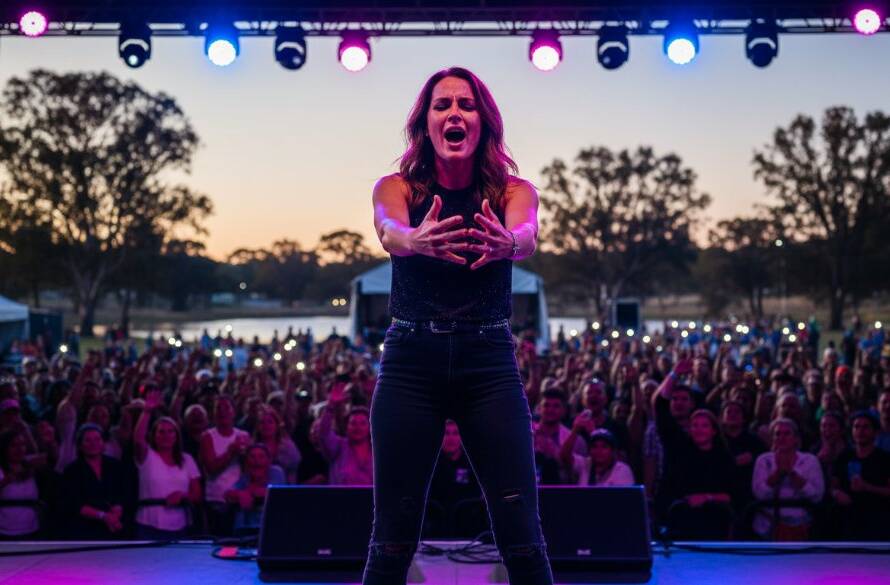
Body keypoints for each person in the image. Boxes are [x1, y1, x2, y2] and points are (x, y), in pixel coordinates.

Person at [366, 67, 552, 584]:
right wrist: (414, 241)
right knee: (391, 538)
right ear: (425, 124)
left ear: (483, 123)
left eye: (466, 105)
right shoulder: (395, 186)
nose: (454, 113)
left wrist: (510, 244)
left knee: (522, 536)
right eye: (442, 105)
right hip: (410, 361)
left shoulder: (514, 189)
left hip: (488, 361)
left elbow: (529, 233)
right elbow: (388, 229)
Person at [134, 389, 202, 540]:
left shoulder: (187, 460)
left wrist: (183, 496)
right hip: (149, 523)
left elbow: (196, 493)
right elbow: (138, 440)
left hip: (180, 524)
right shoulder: (147, 456)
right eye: (161, 432)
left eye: (171, 432)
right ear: (154, 435)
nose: (166, 436)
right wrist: (146, 412)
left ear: (177, 436)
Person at [751, 418, 824, 540]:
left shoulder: (810, 461)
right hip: (767, 525)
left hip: (802, 525)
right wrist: (778, 474)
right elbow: (759, 493)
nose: (782, 437)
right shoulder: (763, 460)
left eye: (786, 433)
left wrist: (792, 473)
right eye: (777, 434)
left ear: (795, 438)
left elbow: (816, 496)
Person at [60, 423, 128, 539]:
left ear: (103, 443)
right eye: (88, 440)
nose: (93, 444)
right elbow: (74, 504)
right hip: (84, 530)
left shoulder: (115, 466)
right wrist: (104, 516)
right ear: (80, 446)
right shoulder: (71, 471)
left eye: (97, 439)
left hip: (114, 528)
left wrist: (116, 514)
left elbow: (123, 493)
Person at [831, 411, 890, 540]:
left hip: (877, 521)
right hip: (847, 521)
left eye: (865, 427)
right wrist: (836, 493)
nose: (860, 431)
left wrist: (867, 487)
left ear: (875, 432)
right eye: (856, 427)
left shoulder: (885, 459)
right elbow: (833, 485)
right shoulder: (844, 456)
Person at [224, 443, 285, 535]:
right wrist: (240, 494)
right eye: (252, 457)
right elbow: (227, 495)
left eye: (261, 457)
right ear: (247, 461)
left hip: (272, 529)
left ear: (269, 460)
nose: (256, 461)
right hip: (247, 531)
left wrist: (247, 493)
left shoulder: (276, 472)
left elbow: (272, 492)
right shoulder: (245, 477)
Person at [559, 424, 634, 487]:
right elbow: (564, 456)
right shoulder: (585, 463)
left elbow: (625, 501)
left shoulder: (622, 470)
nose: (599, 451)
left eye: (604, 447)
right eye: (594, 446)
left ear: (612, 451)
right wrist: (575, 430)